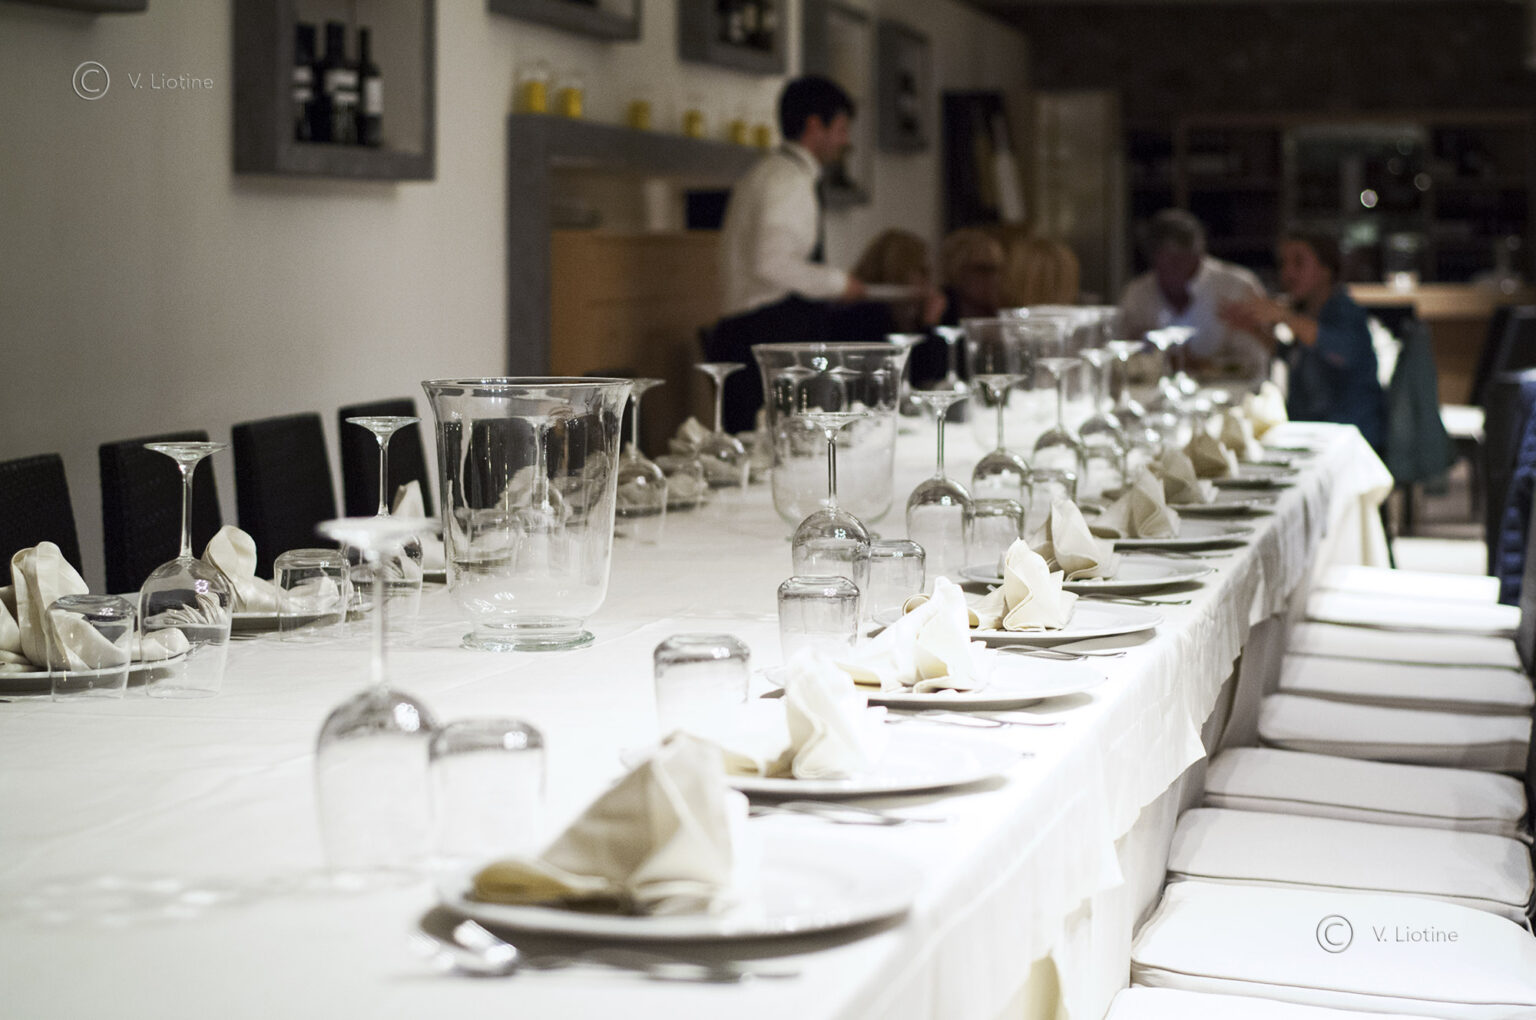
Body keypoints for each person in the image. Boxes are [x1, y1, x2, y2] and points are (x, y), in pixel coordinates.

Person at [709, 75, 887, 433]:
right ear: (814, 126)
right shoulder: (787, 180)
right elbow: (771, 262)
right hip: (763, 335)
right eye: (841, 129)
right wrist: (839, 283)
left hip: (753, 331)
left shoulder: (772, 172)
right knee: (774, 445)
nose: (846, 141)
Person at [1220, 228, 1387, 451]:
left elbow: (1340, 353)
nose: (1287, 273)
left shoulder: (1344, 310)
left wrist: (1285, 316)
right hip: (1311, 435)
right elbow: (1291, 356)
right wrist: (1251, 329)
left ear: (1326, 270)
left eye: (1298, 263)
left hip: (1349, 442)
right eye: (1283, 263)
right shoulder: (1307, 312)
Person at [1118, 209, 1266, 382]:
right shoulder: (1137, 293)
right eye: (1162, 258)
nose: (1170, 268)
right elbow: (1124, 357)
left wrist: (1199, 365)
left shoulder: (1237, 288)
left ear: (1198, 255)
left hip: (1231, 392)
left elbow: (1255, 361)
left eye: (1178, 259)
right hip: (1153, 394)